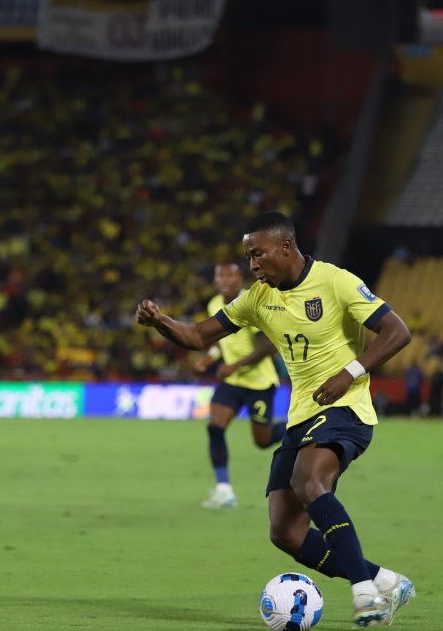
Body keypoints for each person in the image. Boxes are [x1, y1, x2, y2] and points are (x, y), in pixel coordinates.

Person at [136, 212, 415, 627]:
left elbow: (397, 331)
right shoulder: (256, 298)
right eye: (248, 257)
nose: (252, 265)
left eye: (257, 254)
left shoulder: (336, 281)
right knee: (285, 532)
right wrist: (160, 322)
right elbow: (196, 336)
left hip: (347, 407)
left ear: (286, 247)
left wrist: (349, 374)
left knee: (309, 483)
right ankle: (386, 580)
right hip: (302, 413)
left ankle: (365, 594)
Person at [197, 262, 287, 509]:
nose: (225, 280)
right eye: (220, 275)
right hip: (232, 382)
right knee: (215, 427)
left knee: (262, 441)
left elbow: (268, 346)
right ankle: (224, 490)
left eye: (230, 276)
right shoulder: (214, 304)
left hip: (259, 383)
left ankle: (299, 425)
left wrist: (234, 366)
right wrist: (212, 357)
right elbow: (224, 340)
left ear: (240, 279)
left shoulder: (252, 303)